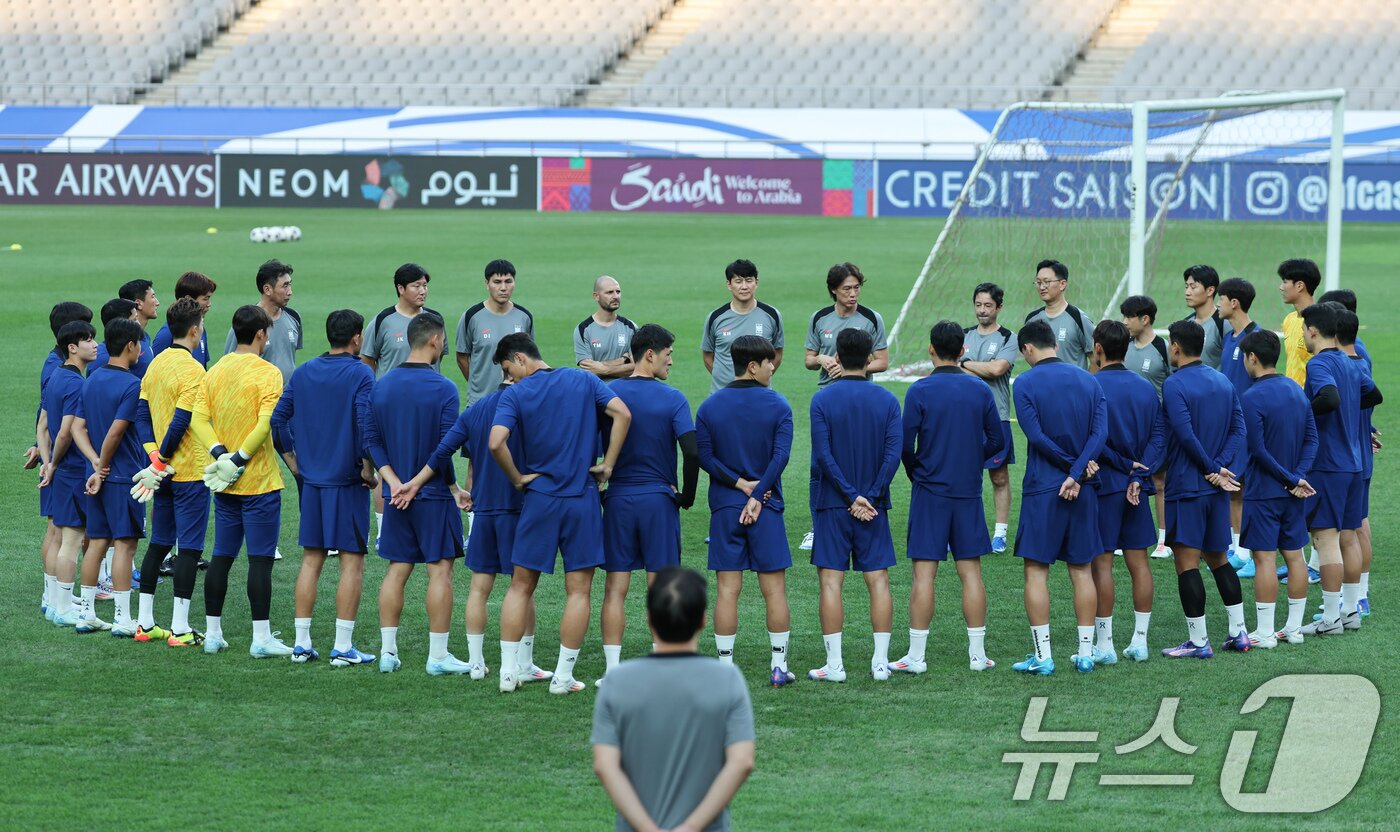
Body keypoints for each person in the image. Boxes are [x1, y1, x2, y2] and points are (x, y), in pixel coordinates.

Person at [488, 333, 632, 694]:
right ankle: (563, 677)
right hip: (581, 497)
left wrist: (518, 478)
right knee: (579, 591)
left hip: (539, 498)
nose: (509, 378)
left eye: (508, 369)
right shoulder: (583, 379)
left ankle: (508, 673)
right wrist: (609, 464)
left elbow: (495, 442)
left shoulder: (517, 394)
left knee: (520, 586)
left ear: (520, 359)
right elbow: (622, 414)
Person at [398, 373, 551, 684]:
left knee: (479, 589)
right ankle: (524, 662)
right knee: (522, 588)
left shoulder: (476, 411)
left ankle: (477, 663)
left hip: (484, 512)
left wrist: (416, 484)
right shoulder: (529, 405)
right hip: (519, 509)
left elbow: (441, 453)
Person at [591, 567, 755, 832]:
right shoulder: (727, 679)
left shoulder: (617, 682)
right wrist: (691, 827)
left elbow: (604, 765)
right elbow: (742, 761)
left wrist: (647, 827)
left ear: (649, 620)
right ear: (703, 620)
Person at [893, 322, 1001, 676]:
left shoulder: (920, 391)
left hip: (930, 493)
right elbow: (997, 441)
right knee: (971, 573)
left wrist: (918, 472)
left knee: (924, 575)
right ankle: (977, 655)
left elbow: (904, 446)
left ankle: (917, 656)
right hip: (968, 492)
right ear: (963, 351)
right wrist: (972, 460)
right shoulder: (980, 390)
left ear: (930, 349)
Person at [271, 309, 378, 667]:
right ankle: (343, 647)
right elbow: (366, 425)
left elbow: (278, 420)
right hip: (347, 483)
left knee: (311, 561)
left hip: (314, 482)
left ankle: (302, 644)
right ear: (357, 338)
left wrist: (294, 463)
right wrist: (367, 468)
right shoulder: (361, 373)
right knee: (352, 564)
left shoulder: (304, 372)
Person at [366, 313, 472, 675]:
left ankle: (388, 652)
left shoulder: (381, 385)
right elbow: (444, 449)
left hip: (396, 496)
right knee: (440, 572)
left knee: (397, 570)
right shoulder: (444, 388)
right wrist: (449, 486)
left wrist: (394, 482)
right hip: (432, 495)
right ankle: (438, 656)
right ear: (436, 341)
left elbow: (372, 440)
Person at [598, 324, 699, 684]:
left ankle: (612, 669)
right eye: (669, 355)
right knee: (662, 588)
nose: (672, 362)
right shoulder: (673, 398)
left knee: (615, 588)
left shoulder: (608, 393)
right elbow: (692, 451)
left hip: (619, 500)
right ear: (651, 354)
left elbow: (591, 445)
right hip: (658, 501)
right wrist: (686, 497)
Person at [696, 335, 795, 685]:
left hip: (726, 508)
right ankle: (779, 667)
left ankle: (724, 668)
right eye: (769, 362)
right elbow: (780, 457)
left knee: (727, 589)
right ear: (752, 366)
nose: (773, 367)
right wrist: (758, 494)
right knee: (774, 590)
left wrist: (740, 486)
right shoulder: (779, 405)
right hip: (766, 507)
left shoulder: (709, 407)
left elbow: (705, 458)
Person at [1009, 319, 1106, 675]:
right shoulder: (1088, 379)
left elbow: (1035, 436)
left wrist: (1069, 469)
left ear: (1028, 349)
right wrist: (1080, 470)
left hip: (1044, 488)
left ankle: (1043, 656)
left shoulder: (1026, 382)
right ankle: (1084, 654)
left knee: (1036, 571)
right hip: (1084, 488)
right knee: (1082, 570)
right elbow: (1100, 433)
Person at [803, 329, 900, 682]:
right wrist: (869, 496)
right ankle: (879, 663)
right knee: (879, 581)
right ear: (871, 360)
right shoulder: (888, 401)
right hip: (873, 508)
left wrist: (849, 495)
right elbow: (893, 456)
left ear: (838, 359)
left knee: (831, 582)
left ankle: (835, 665)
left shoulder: (822, 400)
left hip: (832, 504)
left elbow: (823, 455)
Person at [197, 304, 292, 657]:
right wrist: (239, 458)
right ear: (261, 335)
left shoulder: (215, 370)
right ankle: (261, 638)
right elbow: (266, 423)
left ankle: (212, 633)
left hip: (224, 483)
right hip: (259, 480)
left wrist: (220, 454)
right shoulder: (269, 373)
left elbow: (198, 419)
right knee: (260, 560)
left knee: (221, 556)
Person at [130, 298, 220, 647]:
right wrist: (164, 459)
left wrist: (155, 460)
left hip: (162, 474)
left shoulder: (156, 364)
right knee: (191, 548)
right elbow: (183, 421)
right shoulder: (195, 370)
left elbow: (141, 416)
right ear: (195, 330)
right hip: (190, 473)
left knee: (158, 544)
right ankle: (181, 629)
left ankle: (145, 623)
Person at [1159, 319, 1250, 658]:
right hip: (1216, 490)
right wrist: (1221, 467)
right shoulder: (1223, 380)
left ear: (1177, 347)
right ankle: (1239, 633)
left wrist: (1212, 468)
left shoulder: (1174, 384)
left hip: (1187, 485)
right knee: (1219, 560)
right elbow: (1239, 428)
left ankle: (1198, 642)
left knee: (1186, 564)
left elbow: (1184, 435)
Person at [1298, 302, 1381, 636]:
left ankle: (1330, 618)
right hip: (1353, 464)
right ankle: (1350, 611)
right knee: (1349, 537)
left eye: (1304, 330)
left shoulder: (1319, 363)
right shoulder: (1350, 362)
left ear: (1314, 331)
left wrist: (1301, 411)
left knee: (1325, 539)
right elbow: (1373, 394)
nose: (1303, 335)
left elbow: (1329, 399)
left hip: (1328, 465)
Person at [1088, 321, 1165, 664]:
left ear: (1099, 349)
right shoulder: (1146, 387)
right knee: (1139, 563)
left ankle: (1104, 646)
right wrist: (1140, 471)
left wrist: (1123, 468)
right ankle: (1140, 641)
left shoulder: (1091, 386)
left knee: (1102, 565)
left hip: (1105, 485)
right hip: (1137, 486)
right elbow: (1160, 437)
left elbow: (1095, 441)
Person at [1236, 329, 1316, 647]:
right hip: (1294, 492)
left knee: (1265, 559)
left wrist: (1288, 478)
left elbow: (1258, 450)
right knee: (1295, 556)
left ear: (1252, 358)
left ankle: (1266, 633)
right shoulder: (1297, 390)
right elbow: (1312, 439)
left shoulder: (1252, 397)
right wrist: (1298, 477)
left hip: (1265, 491)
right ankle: (1294, 630)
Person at [799, 263, 887, 551]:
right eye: (847, 288)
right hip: (827, 400)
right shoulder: (820, 318)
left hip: (861, 398)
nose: (853, 294)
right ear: (833, 290)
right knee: (819, 466)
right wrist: (825, 361)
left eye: (857, 287)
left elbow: (882, 361)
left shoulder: (872, 319)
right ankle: (817, 526)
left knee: (860, 462)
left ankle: (865, 511)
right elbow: (809, 359)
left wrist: (854, 368)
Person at [362, 263, 446, 547]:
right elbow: (368, 363)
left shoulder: (434, 319)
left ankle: (425, 519)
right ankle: (384, 529)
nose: (423, 291)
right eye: (416, 286)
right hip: (391, 408)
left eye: (425, 285)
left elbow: (439, 363)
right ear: (400, 288)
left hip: (428, 404)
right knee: (386, 467)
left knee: (432, 458)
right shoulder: (383, 320)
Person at [73, 318, 148, 636]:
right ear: (131, 345)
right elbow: (117, 432)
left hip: (99, 474)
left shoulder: (92, 378)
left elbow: (77, 427)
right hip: (123, 477)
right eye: (140, 344)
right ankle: (122, 618)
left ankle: (87, 613)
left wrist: (94, 465)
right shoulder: (132, 385)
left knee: (97, 544)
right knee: (125, 545)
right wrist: (103, 468)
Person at [39, 321, 101, 628]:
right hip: (74, 469)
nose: (95, 344)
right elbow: (65, 432)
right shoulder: (77, 383)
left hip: (61, 470)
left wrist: (49, 461)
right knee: (72, 542)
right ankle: (63, 608)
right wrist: (55, 462)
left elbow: (43, 425)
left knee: (58, 536)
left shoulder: (55, 376)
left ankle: (53, 601)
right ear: (72, 348)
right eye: (88, 340)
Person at [1328, 299, 1377, 617]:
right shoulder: (1360, 361)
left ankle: (1355, 599)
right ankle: (1359, 597)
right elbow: (1373, 397)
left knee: (1351, 531)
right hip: (1360, 452)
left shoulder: (1344, 366)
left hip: (1348, 457)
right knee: (1357, 526)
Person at [961, 282, 1018, 554]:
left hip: (997, 417)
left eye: (988, 306)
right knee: (966, 476)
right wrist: (977, 368)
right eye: (978, 305)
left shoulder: (1009, 337)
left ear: (999, 307)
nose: (982, 310)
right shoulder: (962, 335)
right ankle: (966, 530)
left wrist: (964, 364)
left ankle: (1000, 533)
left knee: (999, 477)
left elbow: (997, 369)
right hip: (966, 417)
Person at [1119, 294, 1171, 558]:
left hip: (1156, 425)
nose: (1125, 322)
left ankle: (1163, 539)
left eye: (1129, 317)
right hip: (1127, 424)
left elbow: (1173, 385)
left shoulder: (1163, 348)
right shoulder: (1124, 346)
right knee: (1124, 475)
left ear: (1145, 319)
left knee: (1159, 480)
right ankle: (1123, 535)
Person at [1216, 277, 1262, 576]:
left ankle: (1247, 552)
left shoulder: (1256, 338)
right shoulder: (1230, 336)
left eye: (1221, 299)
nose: (1217, 304)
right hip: (1230, 424)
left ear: (1234, 302)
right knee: (1233, 489)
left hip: (1248, 424)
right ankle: (1237, 549)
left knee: (1245, 488)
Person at [456, 259, 534, 406]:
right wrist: (477, 387)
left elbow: (530, 359)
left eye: (508, 281)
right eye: (497, 282)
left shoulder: (524, 317)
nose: (503, 288)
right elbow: (461, 357)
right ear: (487, 284)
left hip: (516, 401)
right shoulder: (471, 316)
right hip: (480, 402)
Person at [702, 259, 784, 395]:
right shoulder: (715, 317)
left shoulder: (772, 315)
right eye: (738, 281)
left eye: (749, 280)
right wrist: (726, 382)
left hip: (760, 394)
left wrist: (760, 379)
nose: (744, 286)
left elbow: (778, 353)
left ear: (756, 282)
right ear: (729, 284)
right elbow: (708, 356)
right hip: (723, 394)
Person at [224, 259, 301, 385]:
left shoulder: (294, 317)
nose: (290, 291)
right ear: (267, 289)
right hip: (258, 399)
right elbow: (229, 365)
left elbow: (289, 358)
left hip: (287, 401)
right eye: (285, 286)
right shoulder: (246, 321)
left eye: (290, 284)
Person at [1023, 259, 1094, 370]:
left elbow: (1095, 360)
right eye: (1038, 282)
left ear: (1062, 284)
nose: (1042, 287)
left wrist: (1084, 384)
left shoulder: (1079, 318)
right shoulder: (1032, 320)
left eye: (1046, 282)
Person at [574, 275, 637, 379]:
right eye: (609, 292)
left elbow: (637, 368)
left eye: (618, 292)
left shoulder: (631, 327)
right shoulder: (583, 329)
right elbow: (588, 371)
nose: (616, 296)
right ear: (596, 296)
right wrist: (622, 360)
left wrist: (604, 369)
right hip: (597, 393)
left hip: (624, 392)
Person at [152, 271, 217, 367]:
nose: (209, 304)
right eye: (205, 299)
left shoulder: (200, 329)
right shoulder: (166, 335)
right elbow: (154, 370)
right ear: (189, 299)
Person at [1279, 257, 1319, 388]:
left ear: (1300, 286)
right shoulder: (1289, 320)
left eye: (1285, 282)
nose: (1281, 287)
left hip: (1311, 402)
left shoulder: (1320, 322)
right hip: (1292, 401)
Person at [1181, 265, 1225, 370]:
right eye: (1186, 287)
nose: (1187, 292)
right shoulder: (1186, 324)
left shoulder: (1224, 324)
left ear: (1210, 290)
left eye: (1193, 287)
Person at [86, 298, 138, 376]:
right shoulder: (103, 359)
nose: (138, 324)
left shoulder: (125, 349)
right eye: (134, 320)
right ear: (121, 324)